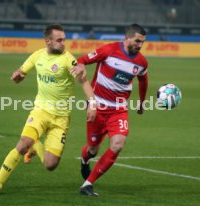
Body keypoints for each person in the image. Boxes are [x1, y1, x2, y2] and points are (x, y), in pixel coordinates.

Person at [0, 24, 96, 197]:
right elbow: (20, 72)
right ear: (48, 41)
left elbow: (83, 81)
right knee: (22, 144)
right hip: (40, 111)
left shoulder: (68, 59)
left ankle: (35, 145)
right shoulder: (37, 56)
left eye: (64, 40)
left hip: (61, 117)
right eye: (59, 40)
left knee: (50, 164)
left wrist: (93, 103)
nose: (63, 43)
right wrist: (17, 76)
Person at [75, 23, 148, 196]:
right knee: (93, 150)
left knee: (117, 144)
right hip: (97, 107)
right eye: (137, 41)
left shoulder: (142, 62)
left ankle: (87, 184)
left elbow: (143, 80)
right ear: (127, 38)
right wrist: (80, 68)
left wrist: (142, 102)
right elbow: (82, 60)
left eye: (142, 42)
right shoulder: (108, 50)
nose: (140, 45)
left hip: (119, 110)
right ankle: (85, 160)